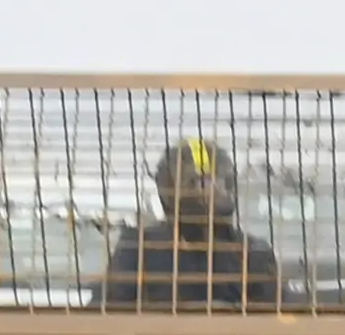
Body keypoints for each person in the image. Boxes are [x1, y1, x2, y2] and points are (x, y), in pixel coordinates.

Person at [98, 134, 290, 317]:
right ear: (172, 191)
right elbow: (104, 317)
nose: (216, 190)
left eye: (222, 182)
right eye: (200, 183)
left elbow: (281, 321)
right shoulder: (138, 249)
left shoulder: (253, 254)